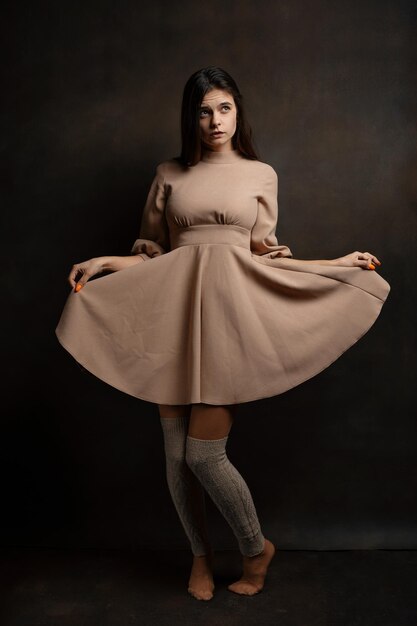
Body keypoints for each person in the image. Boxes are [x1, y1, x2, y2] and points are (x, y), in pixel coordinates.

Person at [55, 66, 391, 601]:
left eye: (225, 108)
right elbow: (155, 253)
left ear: (239, 113)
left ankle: (256, 548)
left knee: (203, 455)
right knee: (173, 456)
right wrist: (106, 261)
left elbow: (266, 257)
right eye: (205, 110)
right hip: (172, 318)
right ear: (192, 117)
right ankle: (200, 558)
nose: (215, 120)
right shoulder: (169, 172)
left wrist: (335, 263)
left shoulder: (262, 174)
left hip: (228, 321)